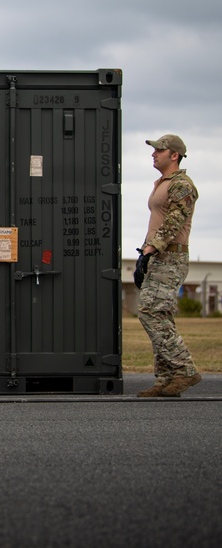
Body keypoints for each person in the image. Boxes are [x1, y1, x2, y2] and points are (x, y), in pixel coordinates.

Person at [135, 134, 200, 397]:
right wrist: (145, 255)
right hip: (159, 257)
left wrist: (152, 247)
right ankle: (166, 379)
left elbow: (174, 220)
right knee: (161, 315)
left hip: (171, 257)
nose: (154, 154)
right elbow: (158, 221)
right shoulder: (162, 183)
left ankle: (184, 369)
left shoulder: (182, 185)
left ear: (174, 155)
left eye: (159, 150)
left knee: (150, 311)